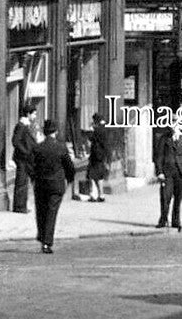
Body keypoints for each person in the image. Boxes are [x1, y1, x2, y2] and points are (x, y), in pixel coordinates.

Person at [30, 119, 75, 253]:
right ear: (56, 132)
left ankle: (41, 236)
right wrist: (70, 179)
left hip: (41, 184)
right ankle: (47, 242)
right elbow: (69, 166)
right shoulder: (61, 147)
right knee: (51, 212)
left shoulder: (38, 148)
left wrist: (33, 178)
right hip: (56, 184)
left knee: (41, 211)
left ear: (44, 132)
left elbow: (30, 165)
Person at [155, 122, 182, 231]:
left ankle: (176, 221)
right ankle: (163, 220)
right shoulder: (164, 138)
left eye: (174, 123)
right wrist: (160, 172)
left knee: (178, 198)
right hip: (167, 172)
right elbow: (159, 156)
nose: (172, 126)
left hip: (180, 173)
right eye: (170, 124)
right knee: (165, 197)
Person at [11, 103, 38, 213]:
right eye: (34, 114)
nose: (35, 116)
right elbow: (15, 141)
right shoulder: (21, 126)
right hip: (22, 158)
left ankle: (22, 205)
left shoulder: (27, 125)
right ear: (28, 114)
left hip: (27, 158)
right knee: (21, 182)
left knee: (24, 182)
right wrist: (25, 151)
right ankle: (19, 206)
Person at [86, 113, 109, 202]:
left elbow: (91, 139)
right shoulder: (104, 129)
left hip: (96, 156)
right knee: (99, 176)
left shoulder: (97, 130)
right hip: (101, 156)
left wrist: (91, 130)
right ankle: (101, 195)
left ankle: (93, 195)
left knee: (92, 175)